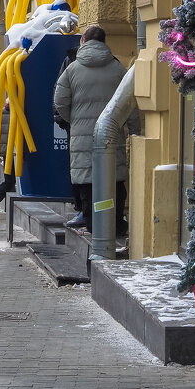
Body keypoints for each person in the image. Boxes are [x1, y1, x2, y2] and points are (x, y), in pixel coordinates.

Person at [53, 25, 138, 235]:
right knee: (114, 180)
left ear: (83, 40)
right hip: (111, 135)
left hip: (81, 137)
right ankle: (116, 225)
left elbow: (59, 101)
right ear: (104, 42)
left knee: (87, 182)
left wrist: (74, 120)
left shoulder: (72, 69)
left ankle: (93, 226)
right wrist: (134, 129)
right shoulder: (118, 68)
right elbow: (130, 101)